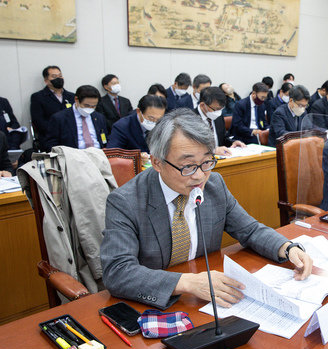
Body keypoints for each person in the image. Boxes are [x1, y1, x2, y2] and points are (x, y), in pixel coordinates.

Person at [100, 108, 312, 309]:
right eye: (188, 166)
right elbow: (118, 272)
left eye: (207, 162)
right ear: (157, 162)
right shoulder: (125, 202)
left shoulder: (214, 185)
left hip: (210, 300)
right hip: (159, 305)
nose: (200, 176)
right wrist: (187, 282)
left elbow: (249, 229)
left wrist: (287, 248)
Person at [44, 85, 108, 151]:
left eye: (93, 106)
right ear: (76, 99)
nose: (90, 109)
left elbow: (104, 139)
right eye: (86, 105)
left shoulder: (99, 117)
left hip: (98, 154)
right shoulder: (59, 118)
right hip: (73, 156)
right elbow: (50, 144)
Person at [30, 65, 75, 151]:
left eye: (60, 76)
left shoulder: (71, 96)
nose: (59, 78)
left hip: (71, 136)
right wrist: (59, 131)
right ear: (46, 81)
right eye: (54, 76)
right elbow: (39, 121)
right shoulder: (38, 97)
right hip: (50, 138)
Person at [194, 86, 245, 156]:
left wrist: (233, 142)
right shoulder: (189, 119)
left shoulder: (218, 116)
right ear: (203, 105)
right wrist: (213, 150)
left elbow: (222, 138)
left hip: (220, 158)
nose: (218, 112)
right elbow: (189, 147)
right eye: (216, 109)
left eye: (221, 109)